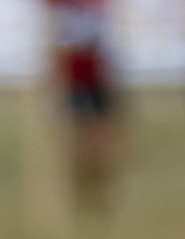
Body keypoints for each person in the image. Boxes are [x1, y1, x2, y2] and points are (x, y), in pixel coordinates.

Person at [44, 0, 125, 213]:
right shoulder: (60, 6)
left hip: (97, 77)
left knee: (102, 137)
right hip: (75, 78)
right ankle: (83, 189)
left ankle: (98, 188)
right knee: (83, 136)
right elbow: (56, 38)